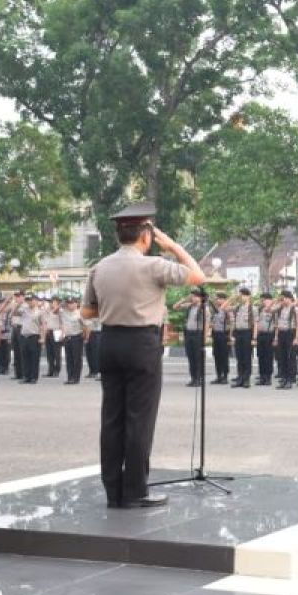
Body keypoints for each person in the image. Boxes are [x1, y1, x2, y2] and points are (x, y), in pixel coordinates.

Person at [81, 202, 204, 509]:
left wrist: (114, 306)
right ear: (146, 236)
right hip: (141, 344)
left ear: (118, 235)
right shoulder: (154, 266)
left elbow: (86, 311)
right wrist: (173, 245)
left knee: (111, 418)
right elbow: (198, 276)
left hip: (108, 342)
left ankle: (113, 490)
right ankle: (135, 490)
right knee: (139, 420)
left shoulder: (99, 267)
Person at [209, 293, 231, 384]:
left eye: (220, 299)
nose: (218, 301)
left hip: (224, 334)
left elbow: (231, 322)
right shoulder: (214, 310)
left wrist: (230, 336)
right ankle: (218, 376)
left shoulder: (227, 309)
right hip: (215, 334)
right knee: (216, 356)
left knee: (224, 356)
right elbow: (211, 322)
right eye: (217, 299)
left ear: (224, 300)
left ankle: (225, 376)